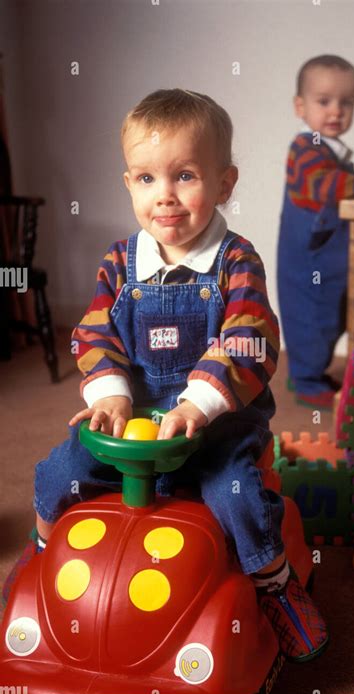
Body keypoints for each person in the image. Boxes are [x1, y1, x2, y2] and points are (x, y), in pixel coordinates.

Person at [3, 89, 327, 663]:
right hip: (131, 426)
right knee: (59, 471)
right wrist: (111, 396)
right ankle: (41, 554)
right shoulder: (118, 263)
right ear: (128, 185)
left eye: (185, 175)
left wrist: (198, 406)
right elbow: (94, 333)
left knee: (235, 497)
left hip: (216, 425)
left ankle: (274, 583)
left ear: (224, 184)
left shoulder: (236, 261)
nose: (167, 197)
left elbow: (250, 338)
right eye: (147, 179)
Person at [277, 55, 354, 408]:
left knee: (332, 317)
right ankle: (305, 379)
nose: (336, 111)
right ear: (300, 106)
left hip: (329, 256)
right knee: (310, 317)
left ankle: (314, 372)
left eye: (346, 103)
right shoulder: (304, 150)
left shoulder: (336, 154)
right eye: (324, 101)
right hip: (308, 258)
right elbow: (325, 186)